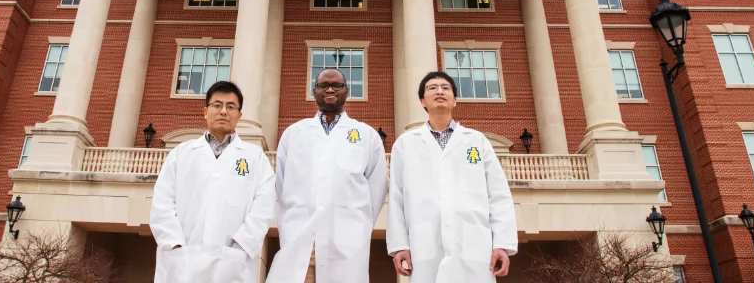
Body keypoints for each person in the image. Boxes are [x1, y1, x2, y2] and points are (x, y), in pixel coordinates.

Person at [387, 71, 517, 283]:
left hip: (474, 244)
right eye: (432, 88)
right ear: (422, 101)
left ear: (455, 100)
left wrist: (502, 242)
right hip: (424, 243)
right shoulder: (405, 144)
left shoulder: (477, 141)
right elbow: (397, 198)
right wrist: (400, 245)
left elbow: (498, 194)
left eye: (445, 88)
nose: (439, 91)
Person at [265, 68, 388, 283]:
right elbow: (282, 187)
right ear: (315, 91)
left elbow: (376, 192)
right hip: (301, 240)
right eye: (323, 85)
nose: (330, 89)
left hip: (346, 244)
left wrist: (359, 227)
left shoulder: (367, 136)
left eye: (337, 85)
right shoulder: (294, 134)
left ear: (347, 91)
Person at [150, 80, 275, 283]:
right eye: (217, 105)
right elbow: (161, 205)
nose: (223, 111)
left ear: (239, 115)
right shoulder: (181, 153)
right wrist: (175, 246)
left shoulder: (255, 157)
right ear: (205, 111)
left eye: (231, 107)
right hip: (181, 263)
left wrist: (239, 249)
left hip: (232, 266)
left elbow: (264, 208)